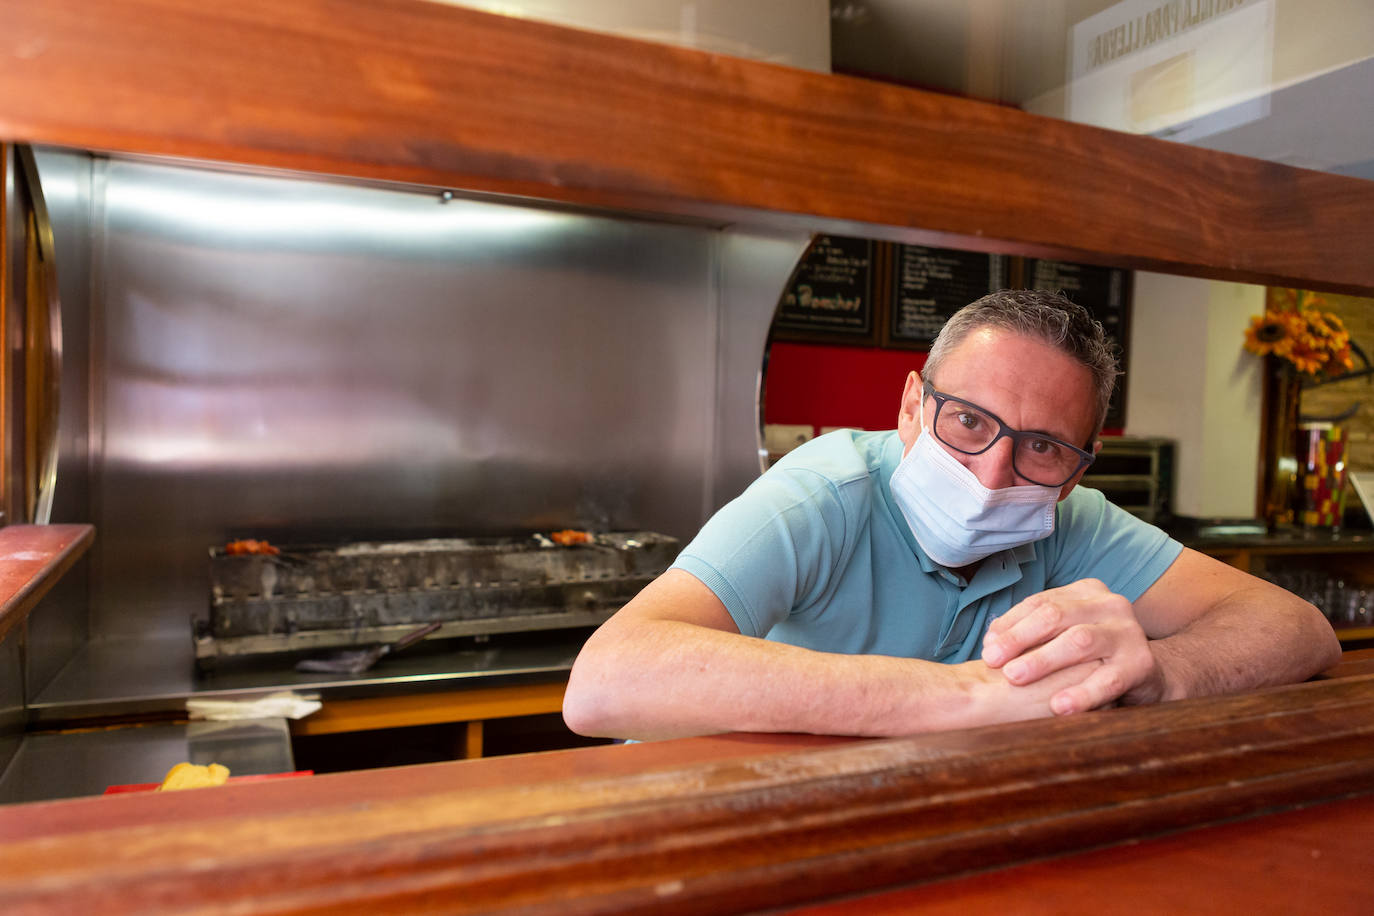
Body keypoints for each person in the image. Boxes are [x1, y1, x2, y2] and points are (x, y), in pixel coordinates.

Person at [562, 289, 1341, 741]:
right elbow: (604, 680)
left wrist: (1162, 673)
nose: (993, 471)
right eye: (968, 421)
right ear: (910, 407)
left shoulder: (1077, 522)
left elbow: (1300, 629)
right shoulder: (825, 493)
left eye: (1041, 448)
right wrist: (968, 696)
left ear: (1075, 471)